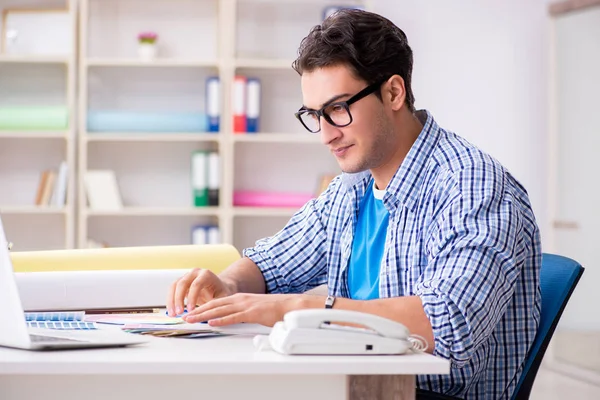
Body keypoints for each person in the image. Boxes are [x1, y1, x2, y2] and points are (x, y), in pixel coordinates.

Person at [166, 9, 541, 399]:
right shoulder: (353, 188)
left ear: (393, 92)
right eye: (314, 115)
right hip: (357, 386)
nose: (326, 134)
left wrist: (293, 309)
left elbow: (446, 326)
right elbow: (273, 262)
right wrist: (228, 283)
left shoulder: (472, 186)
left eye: (338, 109)